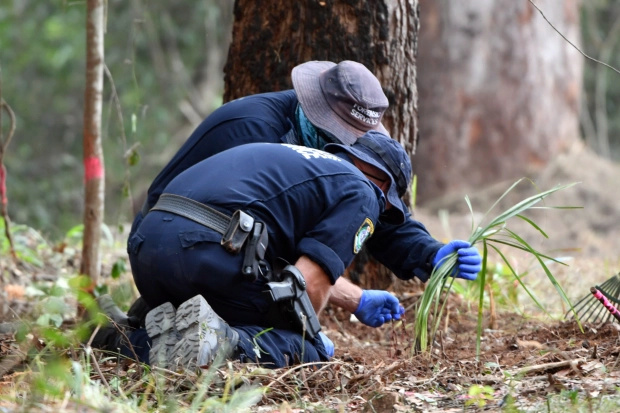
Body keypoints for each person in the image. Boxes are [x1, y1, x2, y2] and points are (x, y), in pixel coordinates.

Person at [126, 131, 481, 370]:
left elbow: (280, 270)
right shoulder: (362, 192)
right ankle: (214, 346)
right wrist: (310, 342)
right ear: (385, 190)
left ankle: (127, 338)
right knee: (306, 348)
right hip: (205, 255)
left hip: (148, 249)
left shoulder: (292, 160)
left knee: (246, 306)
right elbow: (308, 286)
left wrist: (357, 300)